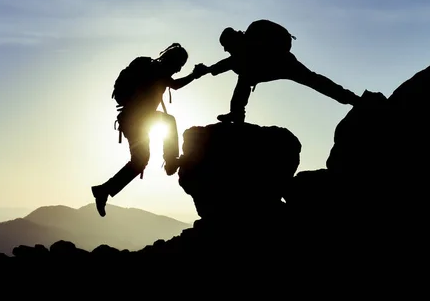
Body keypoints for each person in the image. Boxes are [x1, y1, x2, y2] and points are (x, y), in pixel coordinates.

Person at [91, 43, 206, 217]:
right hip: (136, 120)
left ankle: (104, 190)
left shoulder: (153, 68)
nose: (178, 69)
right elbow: (175, 85)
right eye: (179, 65)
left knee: (140, 161)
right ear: (172, 60)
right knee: (167, 122)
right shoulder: (158, 70)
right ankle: (171, 162)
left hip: (133, 120)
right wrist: (194, 75)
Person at [194, 20, 360, 123]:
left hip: (278, 62)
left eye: (227, 47)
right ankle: (350, 98)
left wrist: (208, 69)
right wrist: (210, 69)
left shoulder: (248, 45)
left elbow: (230, 62)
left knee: (244, 76)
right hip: (280, 62)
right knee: (313, 80)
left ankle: (236, 115)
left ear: (232, 40)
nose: (227, 50)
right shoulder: (247, 45)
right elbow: (232, 62)